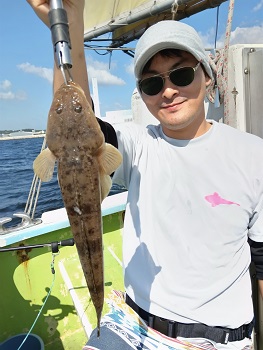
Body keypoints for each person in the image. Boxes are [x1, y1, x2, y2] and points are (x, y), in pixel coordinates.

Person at [27, 1, 263, 349]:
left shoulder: (253, 154)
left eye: (181, 74)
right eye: (152, 84)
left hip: (219, 339)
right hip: (131, 323)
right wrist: (68, 23)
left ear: (208, 75)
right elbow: (82, 121)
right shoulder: (137, 144)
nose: (167, 91)